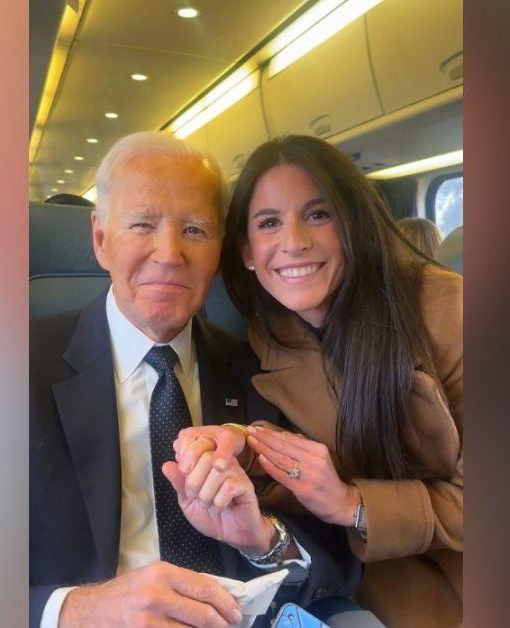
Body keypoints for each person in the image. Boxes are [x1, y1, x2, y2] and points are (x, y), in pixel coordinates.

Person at [29, 132, 360, 628]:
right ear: (100, 239)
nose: (168, 253)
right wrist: (75, 609)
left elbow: (334, 563)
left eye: (195, 230)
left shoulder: (266, 373)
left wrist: (262, 539)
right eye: (143, 224)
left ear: (221, 248)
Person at [175, 135, 464, 626]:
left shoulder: (451, 312)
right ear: (246, 250)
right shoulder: (269, 340)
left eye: (317, 214)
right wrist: (247, 449)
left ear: (353, 224)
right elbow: (318, 468)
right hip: (376, 583)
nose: (294, 242)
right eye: (269, 223)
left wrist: (354, 504)